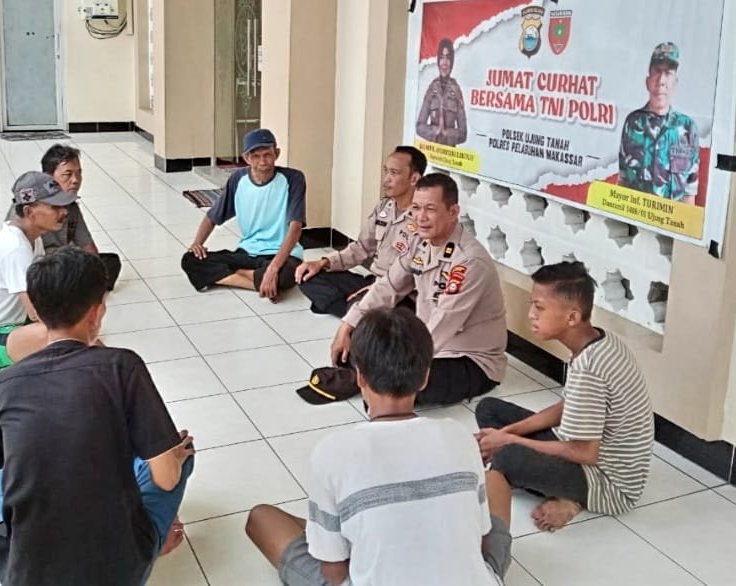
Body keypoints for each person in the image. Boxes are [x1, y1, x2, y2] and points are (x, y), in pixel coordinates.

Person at [245, 308, 514, 586]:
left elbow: (334, 573)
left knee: (262, 518)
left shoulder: (332, 452)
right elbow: (481, 543)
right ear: (425, 377)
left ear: (360, 376)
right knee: (496, 480)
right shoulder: (459, 436)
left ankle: (340, 530)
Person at [0, 247, 194, 586]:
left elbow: (6, 469)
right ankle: (153, 540)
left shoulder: (3, 384)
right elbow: (166, 479)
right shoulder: (122, 366)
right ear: (97, 312)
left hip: (25, 576)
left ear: (36, 312)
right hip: (119, 571)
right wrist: (170, 457)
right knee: (180, 455)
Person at [475, 261, 654, 532]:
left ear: (572, 317)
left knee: (508, 458)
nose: (531, 315)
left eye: (539, 307)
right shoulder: (597, 341)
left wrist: (509, 441)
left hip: (607, 482)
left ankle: (572, 501)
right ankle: (553, 486)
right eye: (532, 304)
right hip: (580, 450)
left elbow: (586, 453)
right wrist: (507, 432)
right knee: (488, 409)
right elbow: (569, 406)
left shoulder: (591, 368)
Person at [330, 173, 506, 405]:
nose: (421, 217)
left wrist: (396, 361)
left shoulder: (469, 261)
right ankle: (370, 377)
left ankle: (370, 379)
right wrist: (347, 326)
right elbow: (388, 286)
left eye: (430, 209)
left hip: (466, 359)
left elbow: (443, 324)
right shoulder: (419, 241)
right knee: (358, 335)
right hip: (425, 342)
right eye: (416, 208)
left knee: (394, 387)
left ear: (453, 212)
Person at [0, 171, 78, 370]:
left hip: (9, 323)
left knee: (72, 321)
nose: (64, 212)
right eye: (55, 207)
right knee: (58, 334)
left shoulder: (32, 238)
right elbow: (35, 311)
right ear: (29, 211)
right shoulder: (15, 247)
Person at [295, 146, 427, 318]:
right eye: (386, 171)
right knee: (307, 276)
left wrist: (376, 292)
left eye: (394, 173)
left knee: (372, 305)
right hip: (372, 281)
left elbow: (414, 273)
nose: (386, 179)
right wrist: (323, 263)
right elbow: (361, 248)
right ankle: (359, 312)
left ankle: (354, 310)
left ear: (414, 178)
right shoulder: (384, 207)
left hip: (400, 294)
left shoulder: (424, 218)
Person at [181, 128, 306, 301]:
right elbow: (212, 216)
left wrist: (273, 269)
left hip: (283, 254)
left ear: (276, 154)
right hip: (248, 252)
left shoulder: (294, 178)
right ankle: (260, 283)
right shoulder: (238, 179)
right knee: (190, 260)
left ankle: (241, 275)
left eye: (267, 155)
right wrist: (197, 243)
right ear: (246, 158)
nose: (263, 161)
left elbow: (296, 227)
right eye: (256, 156)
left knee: (287, 275)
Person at [5, 144, 121, 289]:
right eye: (67, 174)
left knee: (109, 263)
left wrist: (94, 272)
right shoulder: (28, 215)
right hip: (43, 267)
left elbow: (87, 246)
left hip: (64, 259)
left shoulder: (71, 205)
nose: (76, 180)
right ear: (48, 178)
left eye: (79, 173)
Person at [618, 42, 699, 204]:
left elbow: (689, 192)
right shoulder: (632, 123)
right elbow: (622, 181)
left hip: (670, 218)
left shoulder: (687, 128)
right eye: (657, 71)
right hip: (636, 215)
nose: (661, 81)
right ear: (647, 81)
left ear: (675, 82)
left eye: (668, 73)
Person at [416, 38, 467, 147]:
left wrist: (446, 133)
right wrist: (435, 131)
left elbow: (463, 133)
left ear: (452, 62)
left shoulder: (456, 90)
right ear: (438, 60)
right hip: (432, 152)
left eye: (448, 58)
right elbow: (419, 127)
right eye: (442, 58)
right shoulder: (432, 89)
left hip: (449, 154)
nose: (444, 63)